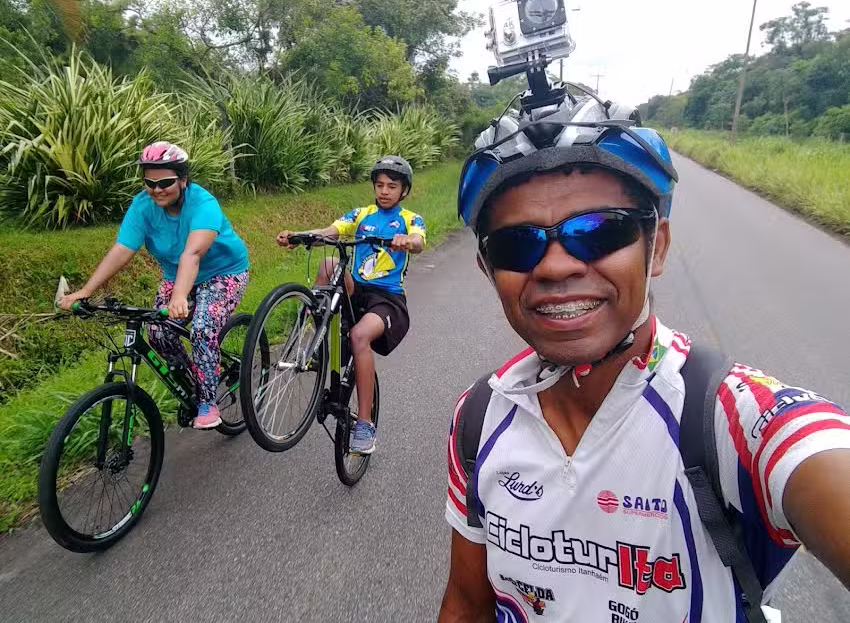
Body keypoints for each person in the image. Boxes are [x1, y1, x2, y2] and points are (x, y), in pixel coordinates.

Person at [439, 96, 850, 621]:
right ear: (488, 268)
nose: (556, 267)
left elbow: (816, 456)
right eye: (517, 245)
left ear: (656, 247)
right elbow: (467, 604)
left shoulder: (733, 421)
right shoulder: (479, 416)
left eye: (598, 231)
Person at [59, 141, 250, 430]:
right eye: (150, 183)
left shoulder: (203, 203)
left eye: (165, 183)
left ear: (183, 180)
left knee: (202, 329)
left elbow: (192, 254)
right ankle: (198, 378)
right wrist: (86, 291)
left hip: (223, 272)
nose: (157, 189)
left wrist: (180, 296)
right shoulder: (143, 206)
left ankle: (208, 401)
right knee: (158, 333)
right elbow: (122, 250)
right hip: (177, 274)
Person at [276, 156, 426, 454]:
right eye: (380, 185)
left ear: (404, 190)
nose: (384, 191)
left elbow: (418, 241)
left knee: (359, 336)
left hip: (388, 300)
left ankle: (365, 424)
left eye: (392, 186)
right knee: (329, 263)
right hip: (357, 291)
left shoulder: (411, 218)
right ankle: (319, 341)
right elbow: (331, 232)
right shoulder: (361, 214)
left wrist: (406, 241)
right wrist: (300, 236)